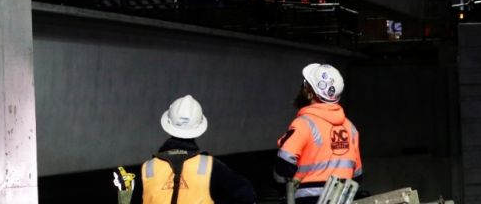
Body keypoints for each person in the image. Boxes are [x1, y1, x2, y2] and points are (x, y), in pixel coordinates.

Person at [117, 94, 256, 204]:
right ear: (199, 127)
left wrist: (124, 193)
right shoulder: (211, 167)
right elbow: (248, 195)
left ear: (168, 124)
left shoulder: (148, 169)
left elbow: (126, 201)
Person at [274, 63, 361, 203]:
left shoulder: (303, 124)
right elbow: (357, 175)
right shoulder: (350, 128)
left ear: (309, 92)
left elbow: (283, 166)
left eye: (305, 84)